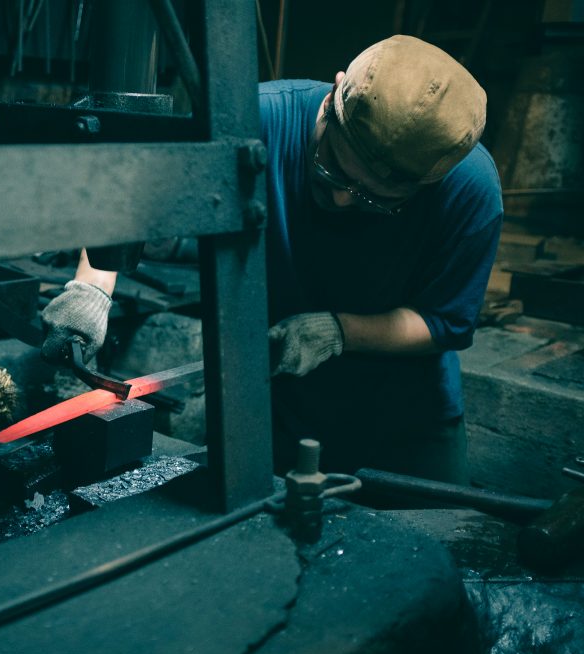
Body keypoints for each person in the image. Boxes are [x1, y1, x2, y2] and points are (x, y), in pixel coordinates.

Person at [40, 35, 502, 484]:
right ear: (335, 91)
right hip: (279, 405)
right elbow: (133, 199)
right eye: (330, 169)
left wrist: (339, 331)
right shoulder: (254, 122)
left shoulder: (470, 190)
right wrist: (92, 287)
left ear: (430, 182)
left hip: (407, 423)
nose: (342, 199)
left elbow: (445, 322)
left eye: (373, 198)